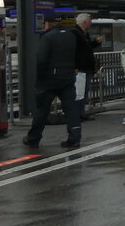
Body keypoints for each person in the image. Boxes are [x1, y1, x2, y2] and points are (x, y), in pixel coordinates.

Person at [23, 17, 82, 149]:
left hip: (49, 79)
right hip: (68, 77)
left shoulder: (47, 37)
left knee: (42, 109)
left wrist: (40, 78)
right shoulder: (71, 36)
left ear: (47, 24)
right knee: (71, 109)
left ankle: (34, 138)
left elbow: (42, 59)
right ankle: (74, 138)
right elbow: (78, 54)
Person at [73, 13, 99, 119]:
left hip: (86, 67)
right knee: (80, 92)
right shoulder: (75, 33)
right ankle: (78, 114)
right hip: (80, 68)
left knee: (84, 91)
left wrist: (96, 42)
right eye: (90, 21)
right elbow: (75, 51)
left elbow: (87, 48)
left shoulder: (84, 34)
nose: (91, 23)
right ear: (85, 22)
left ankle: (81, 112)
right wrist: (75, 66)